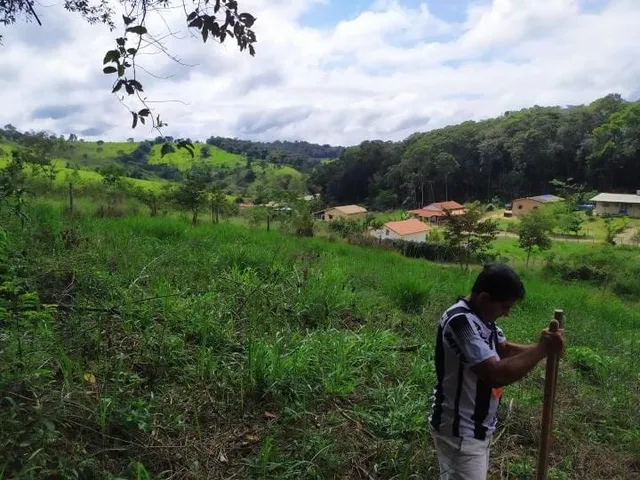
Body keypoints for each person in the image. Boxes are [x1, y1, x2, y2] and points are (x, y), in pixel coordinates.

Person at [429, 263, 564, 480]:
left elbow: (504, 349)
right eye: (504, 306)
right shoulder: (460, 321)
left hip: (478, 429)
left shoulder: (484, 320)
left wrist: (547, 348)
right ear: (484, 298)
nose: (507, 313)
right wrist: (541, 350)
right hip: (460, 431)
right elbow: (494, 374)